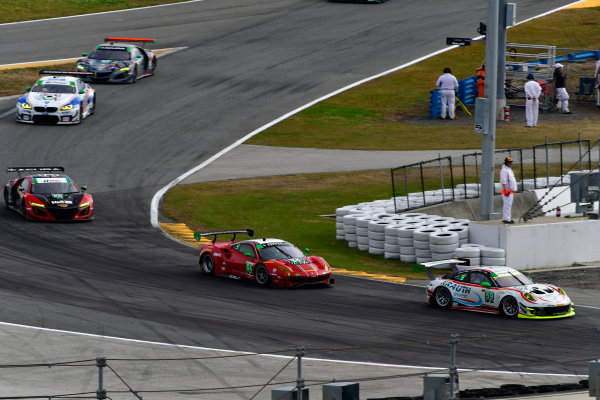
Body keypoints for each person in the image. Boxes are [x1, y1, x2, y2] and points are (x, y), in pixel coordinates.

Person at [500, 157, 517, 224]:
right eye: (509, 162)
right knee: (508, 205)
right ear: (506, 163)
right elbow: (503, 181)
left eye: (511, 162)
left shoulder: (508, 169)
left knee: (507, 205)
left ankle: (505, 218)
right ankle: (507, 219)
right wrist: (505, 190)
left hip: (509, 190)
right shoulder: (504, 170)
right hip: (507, 190)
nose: (510, 163)